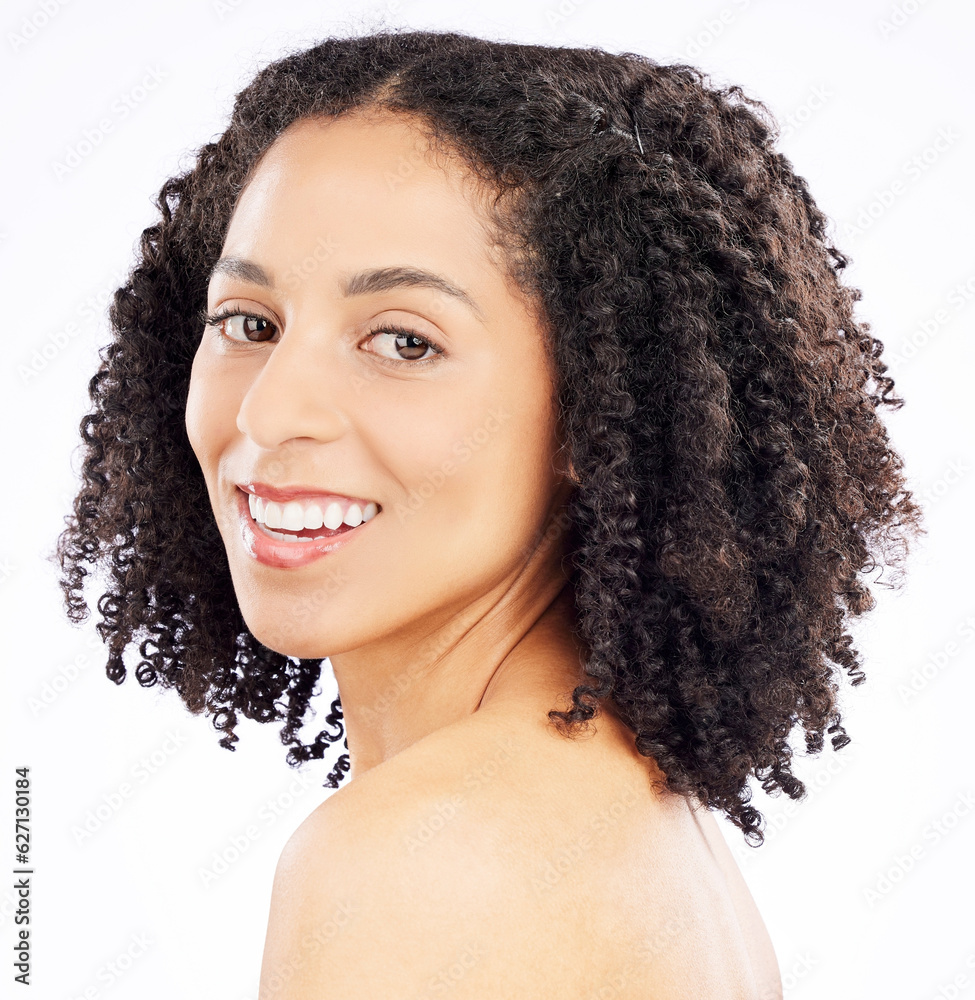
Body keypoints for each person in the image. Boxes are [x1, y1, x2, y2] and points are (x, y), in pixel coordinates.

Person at [53, 27, 923, 999]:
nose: (267, 412)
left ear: (597, 408)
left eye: (403, 341)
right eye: (250, 324)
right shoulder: (626, 809)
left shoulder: (425, 857)